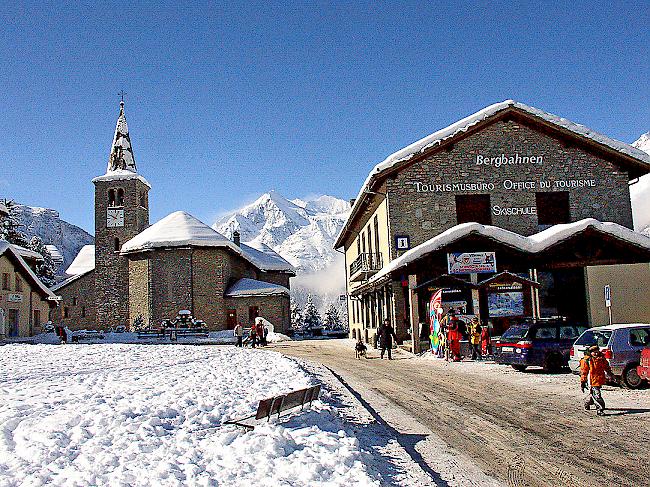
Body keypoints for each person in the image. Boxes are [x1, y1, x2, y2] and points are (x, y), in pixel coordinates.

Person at [580, 345, 615, 416]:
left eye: (597, 352)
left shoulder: (601, 359)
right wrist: (583, 381)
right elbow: (584, 372)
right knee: (597, 394)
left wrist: (610, 374)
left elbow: (606, 367)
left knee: (594, 394)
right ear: (590, 352)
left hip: (599, 379)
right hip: (591, 381)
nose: (596, 354)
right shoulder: (587, 360)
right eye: (594, 352)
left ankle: (587, 403)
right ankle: (600, 409)